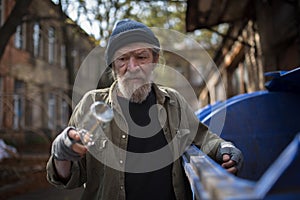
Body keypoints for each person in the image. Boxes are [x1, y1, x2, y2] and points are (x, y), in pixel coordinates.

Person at [46, 19, 243, 200]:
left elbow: (204, 138)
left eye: (141, 57)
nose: (132, 67)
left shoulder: (173, 102)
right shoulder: (91, 105)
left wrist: (225, 148)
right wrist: (61, 154)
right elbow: (68, 177)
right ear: (113, 66)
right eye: (122, 59)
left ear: (155, 60)